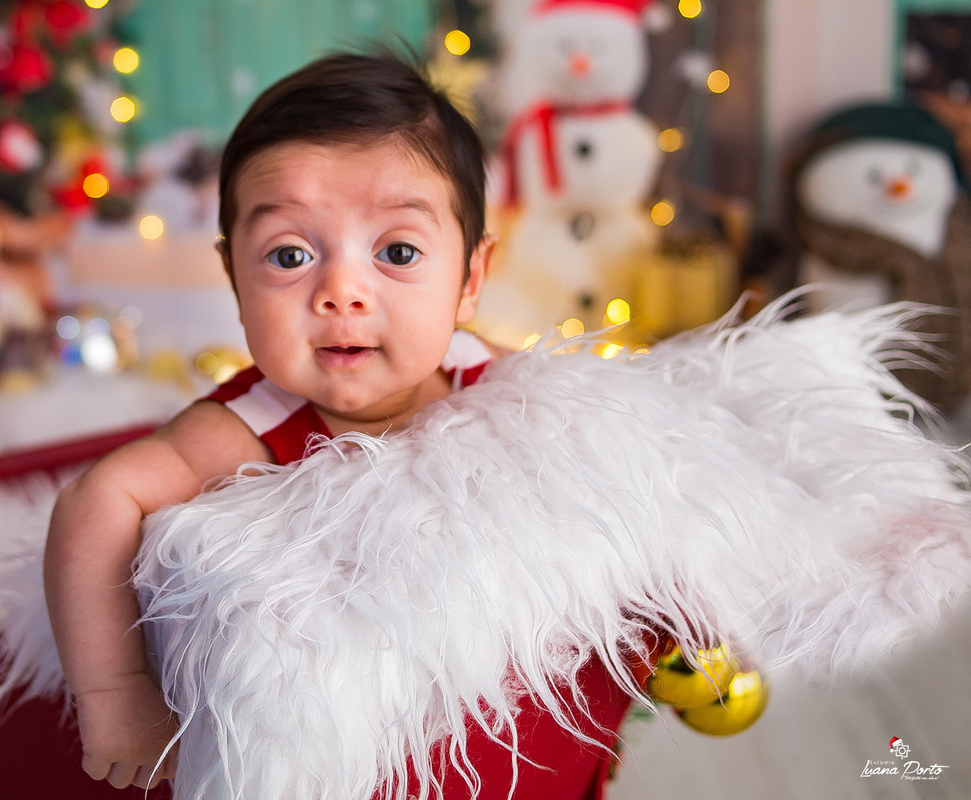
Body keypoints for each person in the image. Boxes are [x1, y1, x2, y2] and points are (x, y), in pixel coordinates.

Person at [44, 51, 639, 798]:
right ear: (235, 278)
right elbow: (96, 500)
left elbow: (590, 422)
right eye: (290, 254)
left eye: (397, 251)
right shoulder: (254, 422)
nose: (342, 292)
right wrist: (116, 693)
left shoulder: (481, 368)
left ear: (470, 281)